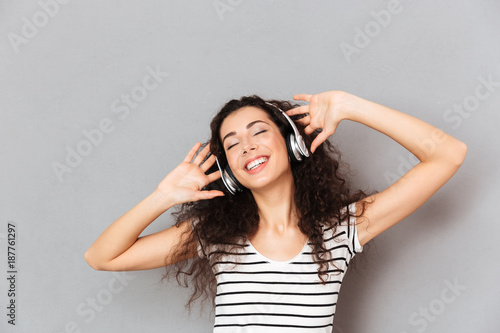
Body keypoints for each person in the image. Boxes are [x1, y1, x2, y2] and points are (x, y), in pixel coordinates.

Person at [84, 90, 467, 332]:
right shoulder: (216, 236)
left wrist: (351, 106)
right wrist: (162, 197)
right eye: (232, 144)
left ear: (293, 145)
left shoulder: (344, 230)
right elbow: (102, 257)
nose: (247, 147)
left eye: (259, 131)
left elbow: (447, 154)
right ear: (230, 171)